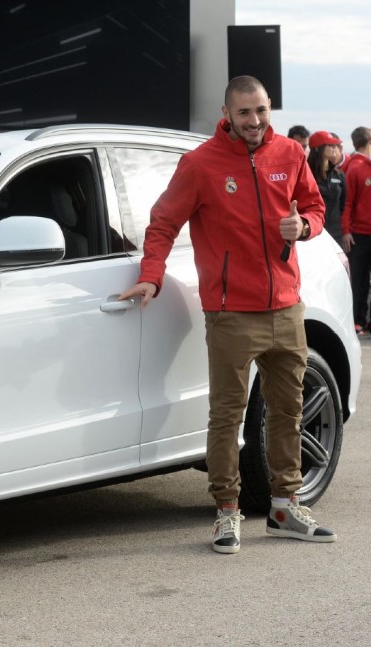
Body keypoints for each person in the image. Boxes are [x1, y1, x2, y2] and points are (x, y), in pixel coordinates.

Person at [119, 76, 334, 554]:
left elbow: (317, 208)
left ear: (270, 107)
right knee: (227, 417)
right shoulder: (200, 164)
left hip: (286, 306)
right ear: (227, 113)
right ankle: (227, 513)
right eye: (244, 113)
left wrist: (303, 226)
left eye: (260, 111)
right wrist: (152, 274)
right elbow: (163, 222)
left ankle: (284, 507)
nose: (254, 121)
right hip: (231, 312)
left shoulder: (291, 155)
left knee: (288, 413)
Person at [340, 126, 371, 333]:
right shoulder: (356, 167)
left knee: (360, 280)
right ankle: (357, 320)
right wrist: (346, 230)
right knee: (358, 280)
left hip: (358, 232)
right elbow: (348, 202)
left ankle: (360, 321)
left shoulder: (356, 166)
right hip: (359, 234)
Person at [307, 131, 346, 246]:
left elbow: (343, 204)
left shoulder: (338, 174)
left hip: (335, 232)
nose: (335, 148)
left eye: (336, 145)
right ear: (318, 148)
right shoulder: (305, 173)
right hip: (312, 233)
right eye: (330, 145)